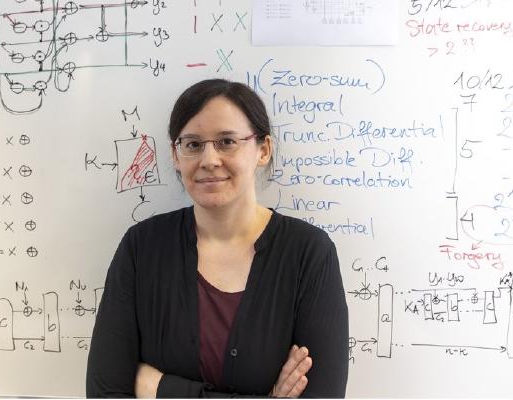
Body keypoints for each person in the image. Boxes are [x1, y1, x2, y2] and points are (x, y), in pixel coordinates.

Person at [86, 79, 348, 398]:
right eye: (193, 144)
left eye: (226, 141)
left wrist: (163, 389)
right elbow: (105, 391)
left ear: (263, 149)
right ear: (175, 154)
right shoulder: (141, 247)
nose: (209, 160)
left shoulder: (309, 253)